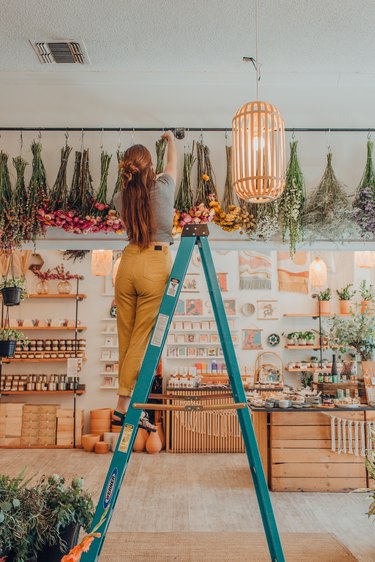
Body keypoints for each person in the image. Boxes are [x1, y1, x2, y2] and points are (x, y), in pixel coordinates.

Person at [112, 131, 177, 431]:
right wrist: (171, 143)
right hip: (155, 263)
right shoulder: (163, 189)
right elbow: (172, 168)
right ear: (151, 168)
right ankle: (125, 406)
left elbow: (135, 187)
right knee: (142, 338)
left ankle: (124, 407)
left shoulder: (119, 198)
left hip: (127, 264)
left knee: (126, 337)